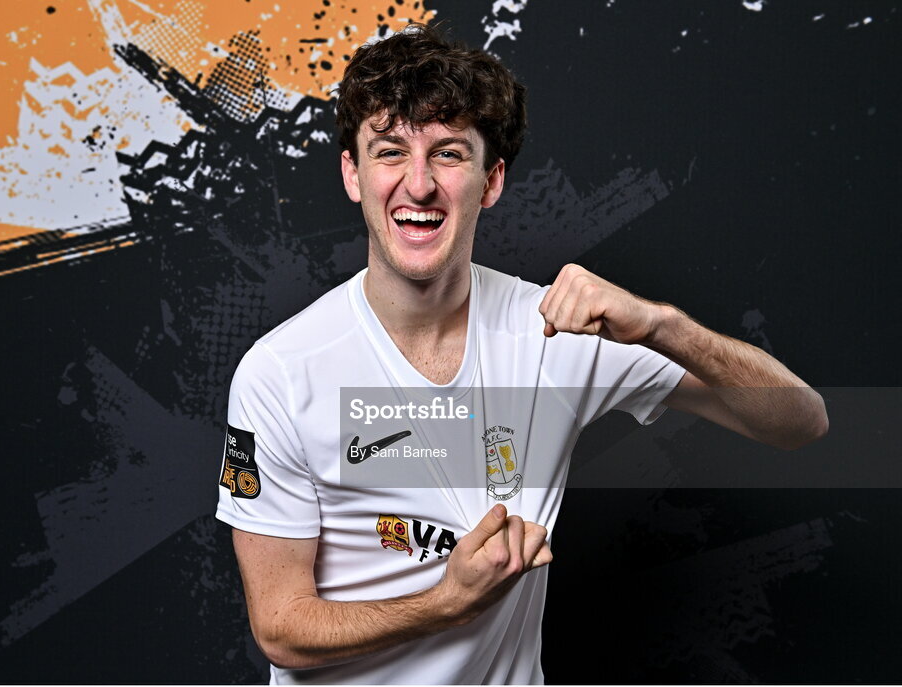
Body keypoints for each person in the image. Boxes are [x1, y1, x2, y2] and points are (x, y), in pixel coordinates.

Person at [215, 23, 827, 684]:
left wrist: (662, 323)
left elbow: (800, 422)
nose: (417, 185)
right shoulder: (280, 371)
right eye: (390, 151)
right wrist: (443, 604)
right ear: (352, 174)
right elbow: (281, 627)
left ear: (492, 179)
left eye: (449, 154)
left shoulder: (556, 332)